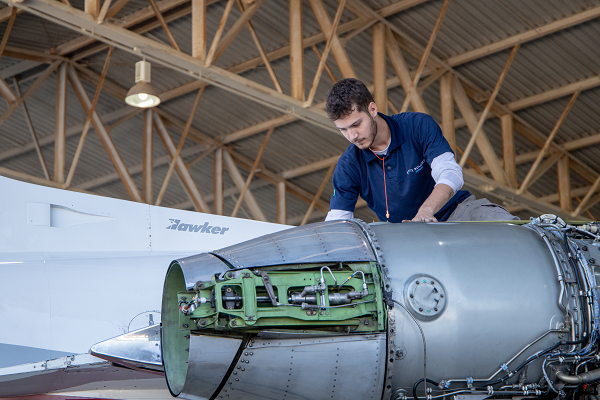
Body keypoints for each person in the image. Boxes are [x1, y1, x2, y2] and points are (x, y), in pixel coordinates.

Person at [324, 78, 518, 223]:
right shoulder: (348, 165)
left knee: (502, 223)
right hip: (406, 237)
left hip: (456, 212)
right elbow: (338, 220)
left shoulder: (417, 125)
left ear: (372, 109)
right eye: (343, 129)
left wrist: (426, 210)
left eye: (356, 124)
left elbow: (450, 173)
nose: (352, 136)